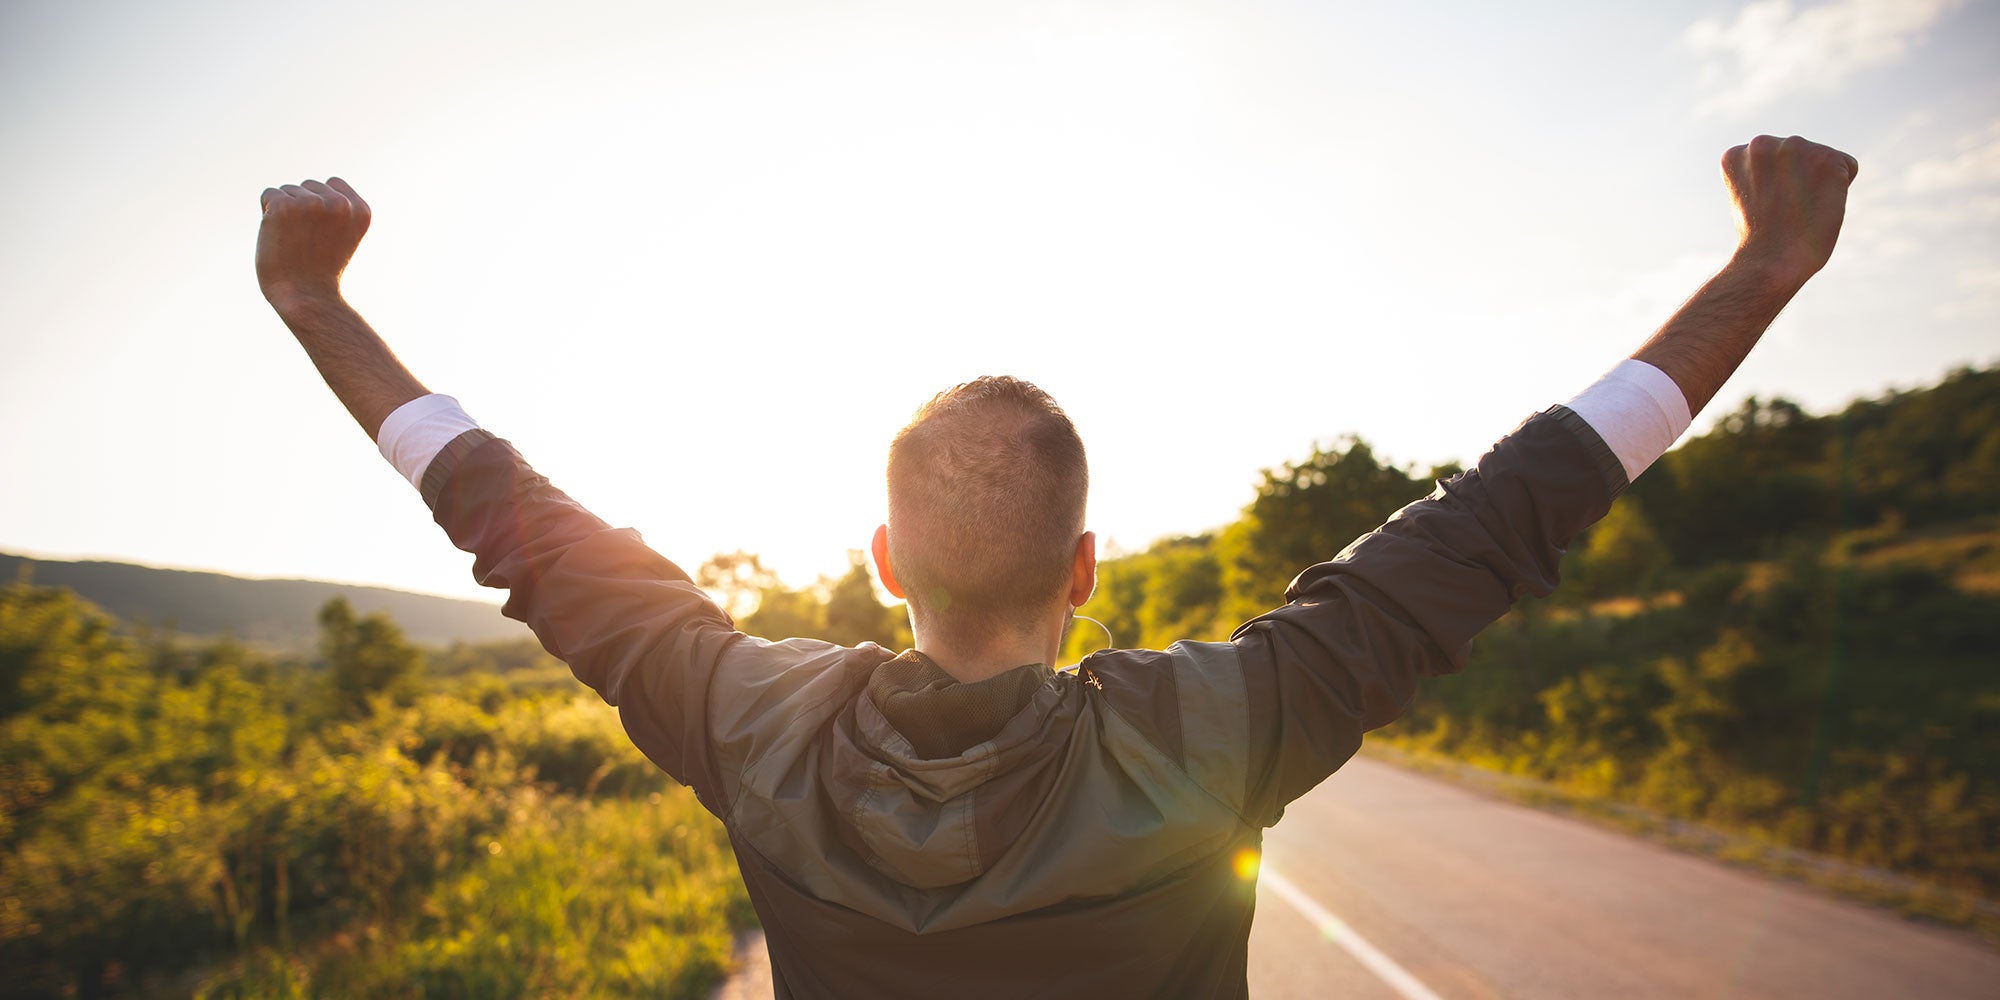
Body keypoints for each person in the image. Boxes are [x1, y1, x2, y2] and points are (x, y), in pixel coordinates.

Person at [255, 135, 1856, 999]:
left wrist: (318, 306)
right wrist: (1764, 271)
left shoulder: (748, 720)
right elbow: (1508, 513)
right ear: (1083, 567)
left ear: (885, 561)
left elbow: (506, 512)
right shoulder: (1215, 730)